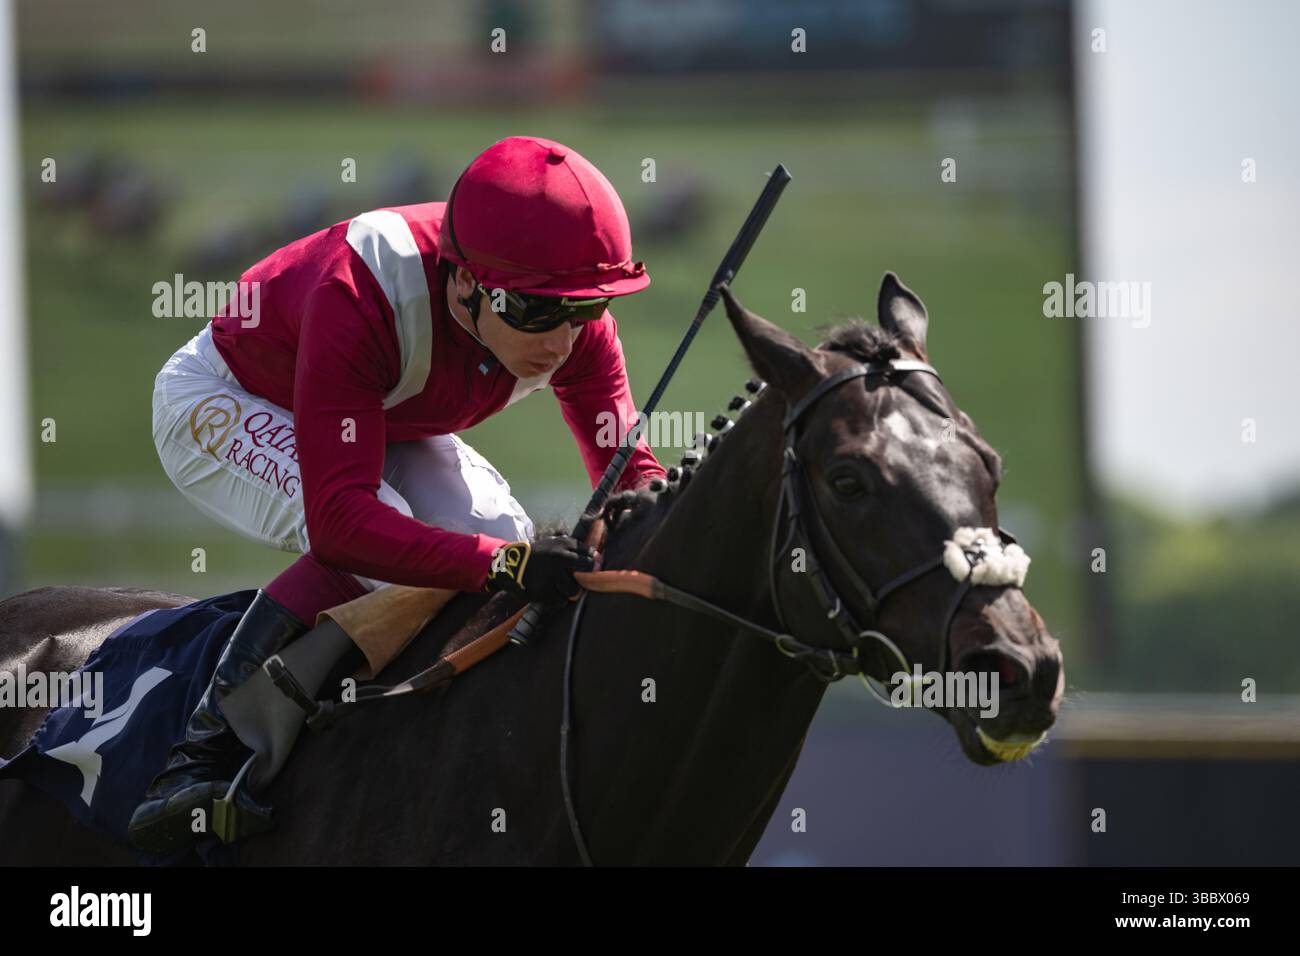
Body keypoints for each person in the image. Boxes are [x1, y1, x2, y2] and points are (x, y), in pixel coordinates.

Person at [128, 135, 666, 852]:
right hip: (225, 396)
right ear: (466, 282)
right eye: (537, 312)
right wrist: (506, 565)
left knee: (494, 527)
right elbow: (343, 525)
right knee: (407, 547)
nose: (564, 339)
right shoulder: (359, 291)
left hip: (375, 412)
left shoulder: (573, 326)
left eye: (587, 307)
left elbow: (635, 477)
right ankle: (203, 753)